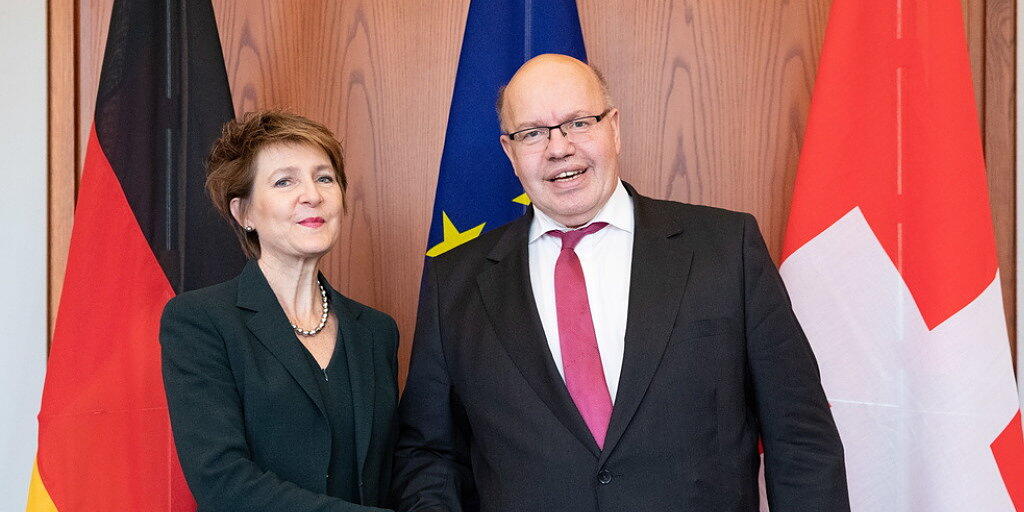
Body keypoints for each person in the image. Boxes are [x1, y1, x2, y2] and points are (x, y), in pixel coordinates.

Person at [391, 54, 849, 511]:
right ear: (510, 152)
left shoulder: (728, 249)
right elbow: (430, 456)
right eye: (532, 133)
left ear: (614, 127)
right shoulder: (455, 283)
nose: (558, 149)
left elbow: (801, 438)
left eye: (578, 123)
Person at [161, 111, 398, 512]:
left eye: (324, 178)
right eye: (285, 181)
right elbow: (221, 480)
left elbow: (389, 470)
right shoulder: (200, 321)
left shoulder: (376, 331)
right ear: (244, 214)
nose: (313, 195)